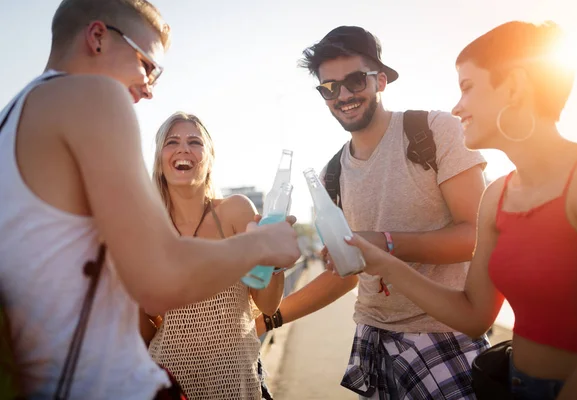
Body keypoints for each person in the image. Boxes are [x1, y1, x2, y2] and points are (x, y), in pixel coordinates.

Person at [0, 0, 299, 398]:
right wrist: (265, 243)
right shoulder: (92, 96)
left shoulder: (12, 118)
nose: (148, 88)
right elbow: (161, 278)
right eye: (147, 65)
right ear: (98, 38)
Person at [343, 20, 577, 400]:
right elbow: (475, 315)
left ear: (513, 87)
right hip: (512, 385)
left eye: (467, 87)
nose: (456, 106)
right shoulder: (497, 195)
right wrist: (381, 259)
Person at [257, 26, 489, 399]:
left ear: (380, 80)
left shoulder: (433, 131)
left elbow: (475, 237)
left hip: (443, 334)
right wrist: (267, 319)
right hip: (371, 338)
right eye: (329, 87)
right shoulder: (333, 173)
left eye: (354, 81)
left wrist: (384, 244)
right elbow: (348, 274)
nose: (343, 95)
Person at [140, 111, 284, 400]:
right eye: (172, 142)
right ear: (159, 160)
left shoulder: (234, 211)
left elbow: (267, 306)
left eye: (195, 141)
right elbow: (144, 327)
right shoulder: (145, 228)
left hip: (237, 379)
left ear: (208, 159)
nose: (184, 148)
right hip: (169, 381)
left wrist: (275, 258)